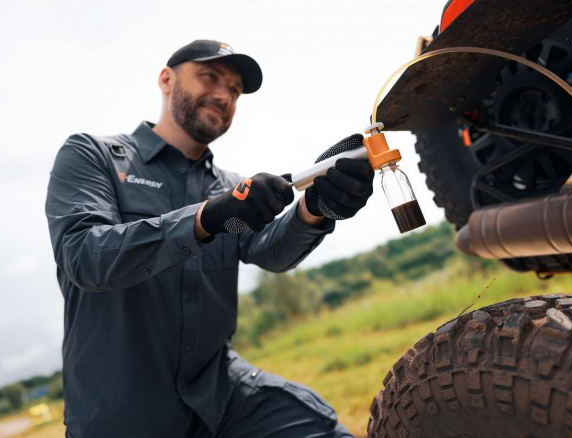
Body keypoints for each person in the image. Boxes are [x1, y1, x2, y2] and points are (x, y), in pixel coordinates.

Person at [45, 39, 374, 437]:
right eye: (210, 77)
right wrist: (204, 219)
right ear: (166, 80)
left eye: (234, 91)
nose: (223, 95)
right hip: (123, 415)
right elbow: (84, 256)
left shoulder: (230, 186)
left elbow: (270, 252)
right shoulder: (91, 156)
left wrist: (315, 208)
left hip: (223, 398)